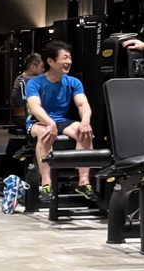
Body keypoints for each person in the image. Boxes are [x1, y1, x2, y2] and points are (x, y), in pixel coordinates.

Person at [24, 39, 96, 203]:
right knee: (45, 132)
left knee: (84, 131)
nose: (68, 61)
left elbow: (83, 104)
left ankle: (83, 182)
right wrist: (49, 123)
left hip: (62, 121)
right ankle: (46, 183)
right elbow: (35, 107)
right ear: (50, 61)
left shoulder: (73, 82)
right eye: (64, 58)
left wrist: (85, 121)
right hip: (38, 122)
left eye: (69, 58)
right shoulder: (35, 83)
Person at [9, 52, 43, 125]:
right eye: (42, 67)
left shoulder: (26, 79)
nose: (43, 70)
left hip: (28, 115)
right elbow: (29, 103)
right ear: (33, 67)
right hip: (24, 117)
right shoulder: (24, 81)